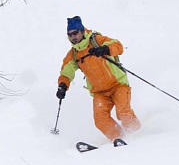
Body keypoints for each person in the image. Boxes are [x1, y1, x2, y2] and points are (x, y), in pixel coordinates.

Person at [55, 15, 141, 145]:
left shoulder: (97, 40)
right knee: (100, 120)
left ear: (82, 31)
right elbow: (66, 72)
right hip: (100, 92)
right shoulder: (73, 54)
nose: (73, 37)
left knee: (123, 112)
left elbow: (118, 46)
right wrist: (62, 85)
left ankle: (139, 135)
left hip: (118, 85)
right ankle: (120, 138)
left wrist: (105, 49)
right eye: (70, 34)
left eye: (75, 33)